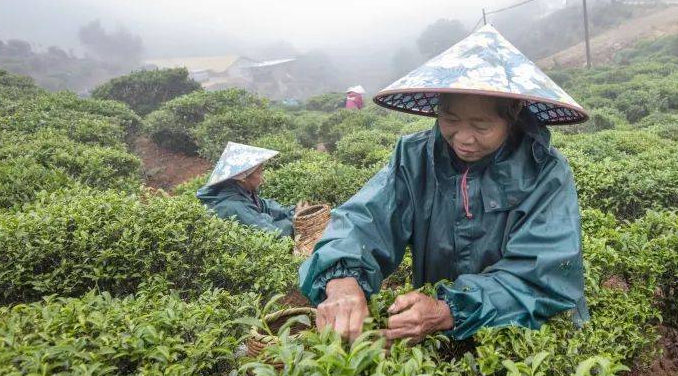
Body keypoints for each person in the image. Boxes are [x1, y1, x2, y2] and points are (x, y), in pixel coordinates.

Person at [298, 25, 590, 344]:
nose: (463, 139)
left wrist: (447, 309)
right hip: (435, 336)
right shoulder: (414, 157)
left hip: (524, 341)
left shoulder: (546, 172)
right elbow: (364, 221)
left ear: (514, 114)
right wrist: (342, 279)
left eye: (481, 125)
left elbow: (543, 276)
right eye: (450, 121)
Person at [197, 142, 295, 237]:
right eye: (259, 173)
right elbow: (274, 235)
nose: (263, 179)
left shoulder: (237, 190)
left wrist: (292, 211)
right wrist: (295, 220)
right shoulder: (234, 206)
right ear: (243, 178)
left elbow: (265, 206)